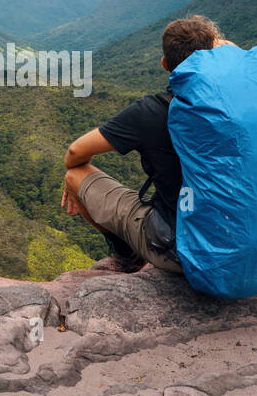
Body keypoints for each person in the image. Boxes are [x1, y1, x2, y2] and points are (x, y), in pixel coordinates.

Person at [60, 15, 234, 272]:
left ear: (165, 64)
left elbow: (75, 152)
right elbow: (229, 50)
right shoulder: (233, 103)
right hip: (231, 237)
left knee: (74, 176)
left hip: (180, 252)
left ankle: (129, 256)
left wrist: (73, 188)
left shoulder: (151, 111)